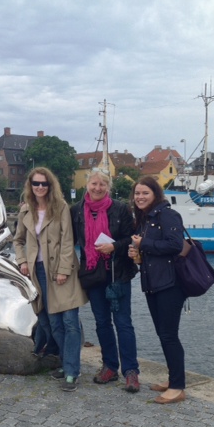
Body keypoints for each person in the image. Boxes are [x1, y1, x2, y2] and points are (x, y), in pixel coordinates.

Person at [14, 168, 87, 391]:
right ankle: (66, 364)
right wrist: (22, 261)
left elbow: (68, 240)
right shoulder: (26, 211)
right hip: (39, 272)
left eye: (44, 184)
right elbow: (17, 240)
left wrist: (64, 269)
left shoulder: (61, 207)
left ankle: (72, 372)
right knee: (53, 323)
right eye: (36, 183)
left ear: (50, 185)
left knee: (70, 322)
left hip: (61, 270)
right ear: (30, 185)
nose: (40, 187)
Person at [71, 168, 141, 392]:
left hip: (117, 273)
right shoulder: (77, 211)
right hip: (92, 274)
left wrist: (114, 246)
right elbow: (67, 237)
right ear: (87, 186)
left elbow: (130, 238)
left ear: (108, 187)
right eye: (94, 184)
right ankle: (109, 366)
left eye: (102, 184)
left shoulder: (120, 209)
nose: (98, 188)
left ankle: (131, 371)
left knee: (123, 323)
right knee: (102, 323)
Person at [128, 177, 187, 404]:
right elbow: (152, 254)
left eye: (145, 193)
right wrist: (138, 254)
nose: (140, 197)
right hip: (154, 284)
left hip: (171, 284)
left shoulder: (168, 215)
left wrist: (144, 245)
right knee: (163, 334)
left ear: (155, 194)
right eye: (137, 193)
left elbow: (175, 245)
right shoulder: (145, 219)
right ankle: (173, 380)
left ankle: (178, 387)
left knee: (169, 335)